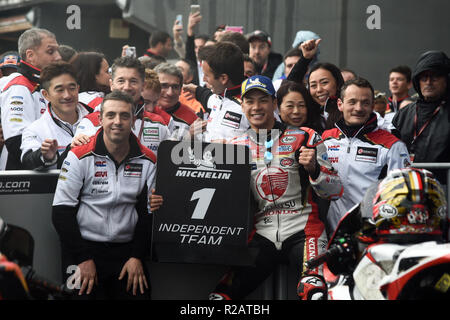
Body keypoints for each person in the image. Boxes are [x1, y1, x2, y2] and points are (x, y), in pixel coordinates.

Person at [52, 90, 155, 300]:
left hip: (128, 252)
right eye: (110, 115)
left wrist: (137, 256)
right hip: (83, 248)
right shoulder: (78, 156)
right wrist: (83, 258)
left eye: (124, 116)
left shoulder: (149, 160)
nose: (117, 122)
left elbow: (149, 214)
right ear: (100, 119)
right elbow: (61, 212)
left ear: (134, 120)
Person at [322, 77, 410, 235]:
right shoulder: (326, 138)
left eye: (365, 102)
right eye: (352, 102)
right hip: (333, 231)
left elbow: (402, 195)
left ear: (372, 106)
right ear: (340, 105)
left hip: (372, 230)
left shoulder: (393, 145)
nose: (359, 108)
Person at [73, 56, 169, 156]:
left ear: (143, 85)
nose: (127, 87)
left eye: (133, 81)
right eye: (121, 81)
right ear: (111, 85)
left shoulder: (158, 124)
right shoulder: (90, 123)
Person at [0, 28, 61, 170]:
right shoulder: (20, 85)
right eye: (51, 51)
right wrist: (47, 158)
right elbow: (16, 142)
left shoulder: (41, 84)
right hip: (21, 178)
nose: (58, 57)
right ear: (30, 55)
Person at [20, 61, 92, 170]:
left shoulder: (98, 118)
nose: (67, 95)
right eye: (60, 90)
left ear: (78, 88)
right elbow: (28, 160)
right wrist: (45, 156)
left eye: (72, 88)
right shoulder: (35, 129)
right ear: (46, 95)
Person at [392, 50, 450, 184]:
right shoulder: (404, 114)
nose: (428, 82)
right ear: (418, 82)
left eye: (434, 77)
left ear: (446, 80)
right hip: (405, 187)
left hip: (443, 189)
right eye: (424, 78)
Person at [182, 41, 249, 142]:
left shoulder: (251, 106)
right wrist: (197, 90)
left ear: (223, 78)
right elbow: (207, 96)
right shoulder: (217, 96)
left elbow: (268, 142)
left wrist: (229, 145)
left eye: (207, 75)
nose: (203, 79)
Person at [154, 62, 198, 140]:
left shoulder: (192, 118)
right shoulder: (140, 111)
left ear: (181, 89)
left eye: (175, 87)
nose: (170, 93)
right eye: (164, 86)